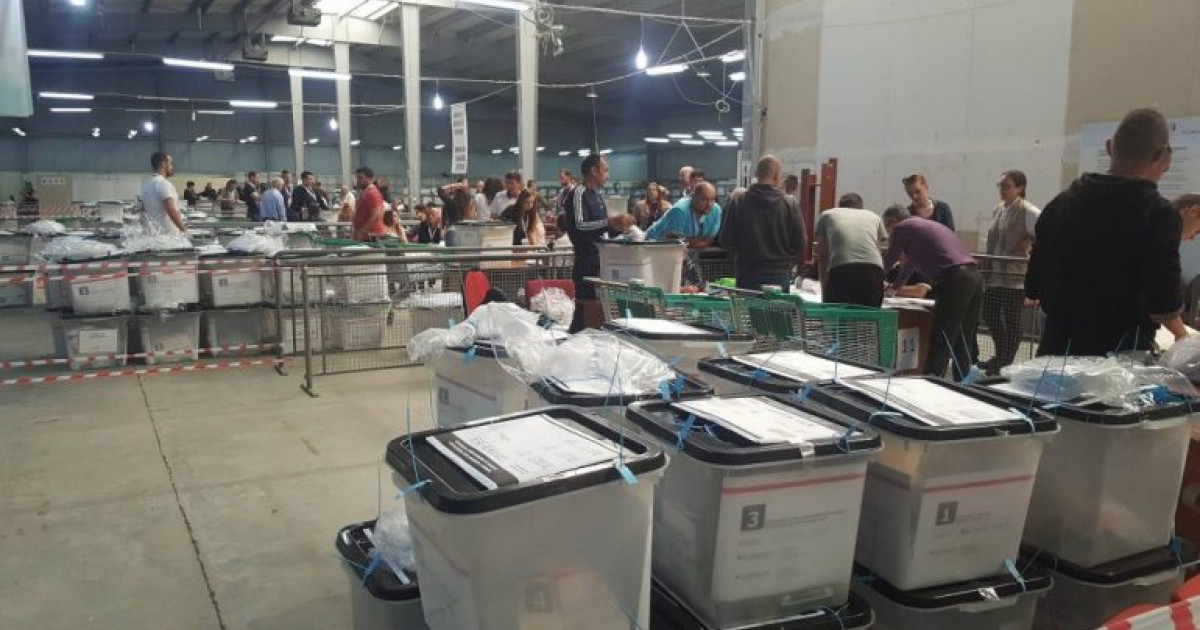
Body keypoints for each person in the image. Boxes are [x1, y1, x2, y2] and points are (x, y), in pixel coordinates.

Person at [1028, 108, 1187, 356]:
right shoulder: (1158, 215)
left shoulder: (1059, 205)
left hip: (1055, 353)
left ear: (1109, 147)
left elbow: (1033, 286)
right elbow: (1163, 304)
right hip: (1119, 360)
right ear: (1161, 157)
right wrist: (1185, 337)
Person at [883, 205, 982, 380]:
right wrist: (894, 289)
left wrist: (874, 277)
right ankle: (963, 382)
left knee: (942, 335)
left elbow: (890, 259)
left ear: (892, 222)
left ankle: (931, 381)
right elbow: (910, 266)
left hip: (954, 279)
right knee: (963, 336)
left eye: (887, 228)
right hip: (975, 276)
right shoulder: (923, 227)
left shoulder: (901, 228)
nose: (889, 234)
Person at [978, 170, 1041, 374]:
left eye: (1007, 186)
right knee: (990, 313)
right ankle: (1000, 355)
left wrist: (1031, 261)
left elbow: (1041, 239)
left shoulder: (1029, 212)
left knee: (1012, 318)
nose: (1002, 190)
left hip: (1015, 276)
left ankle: (1005, 361)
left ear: (1020, 188)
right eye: (1001, 186)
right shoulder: (999, 209)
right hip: (995, 274)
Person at [564, 154, 634, 332]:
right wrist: (609, 222)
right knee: (586, 309)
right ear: (594, 171)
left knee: (598, 310)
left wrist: (621, 227)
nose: (608, 175)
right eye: (605, 170)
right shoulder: (578, 194)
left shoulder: (597, 196)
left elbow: (602, 228)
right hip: (585, 261)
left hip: (601, 260)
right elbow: (580, 225)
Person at [719, 155, 806, 291]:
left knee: (747, 306)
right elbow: (800, 242)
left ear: (756, 175)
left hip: (747, 275)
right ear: (777, 176)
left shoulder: (738, 201)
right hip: (779, 275)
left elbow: (725, 240)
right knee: (777, 306)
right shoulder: (790, 204)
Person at [814, 192, 888, 307]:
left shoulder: (827, 215)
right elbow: (878, 249)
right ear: (861, 207)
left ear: (839, 206)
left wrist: (825, 293)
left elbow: (823, 255)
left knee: (837, 313)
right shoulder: (874, 216)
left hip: (843, 271)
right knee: (870, 314)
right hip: (873, 272)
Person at [646, 182, 722, 249]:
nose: (709, 204)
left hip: (679, 249)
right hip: (652, 244)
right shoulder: (679, 211)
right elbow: (675, 244)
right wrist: (698, 240)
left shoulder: (716, 210)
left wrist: (689, 242)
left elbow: (709, 240)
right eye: (704, 199)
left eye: (712, 199)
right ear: (693, 197)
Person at [140, 152, 185, 235]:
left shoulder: (147, 185)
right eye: (171, 163)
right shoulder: (163, 183)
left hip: (155, 235)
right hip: (168, 235)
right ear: (163, 164)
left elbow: (143, 212)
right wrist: (183, 230)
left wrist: (147, 231)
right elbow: (171, 209)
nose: (172, 167)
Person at [352, 167, 388, 242]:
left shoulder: (372, 193)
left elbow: (376, 214)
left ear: (370, 179)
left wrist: (362, 231)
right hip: (367, 235)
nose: (358, 181)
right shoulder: (366, 192)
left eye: (361, 178)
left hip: (372, 236)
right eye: (357, 178)